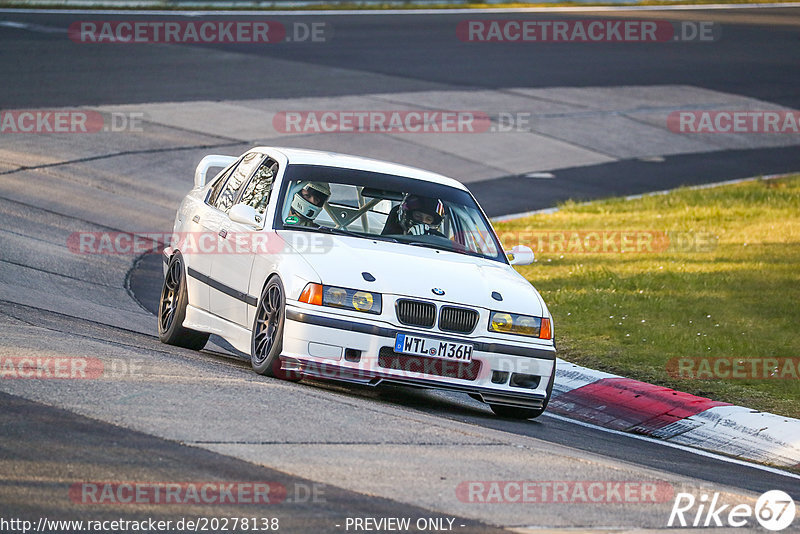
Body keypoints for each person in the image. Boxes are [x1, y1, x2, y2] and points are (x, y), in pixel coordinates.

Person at [382, 194, 446, 237]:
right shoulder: (390, 241)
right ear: (407, 215)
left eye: (428, 219)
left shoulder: (438, 245)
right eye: (418, 216)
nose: (422, 221)